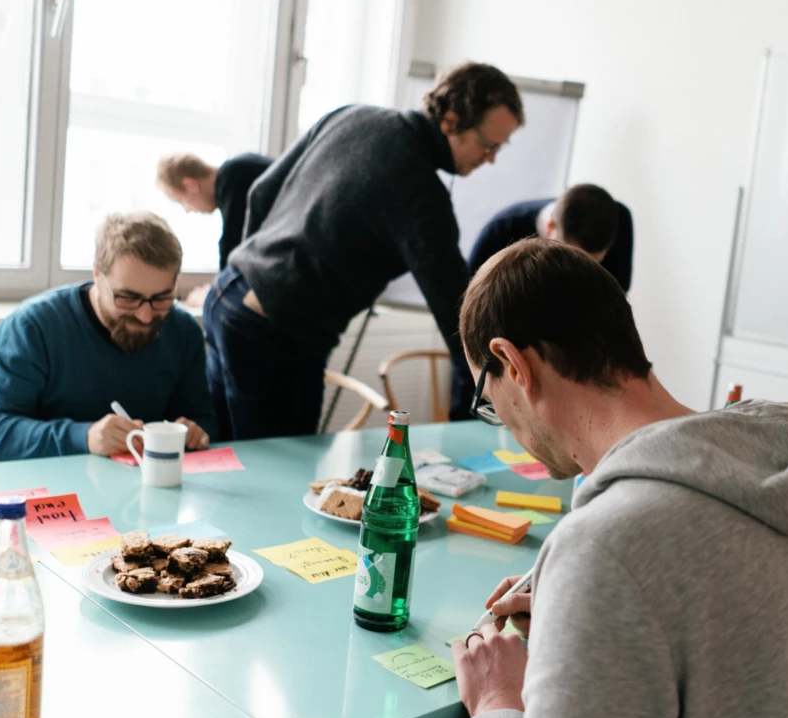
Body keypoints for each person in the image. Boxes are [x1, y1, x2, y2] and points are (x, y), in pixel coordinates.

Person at [450, 238, 788, 718]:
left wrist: (497, 708)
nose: (499, 418)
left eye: (486, 397)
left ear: (513, 364)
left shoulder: (607, 546)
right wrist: (588, 620)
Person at [204, 61, 524, 441]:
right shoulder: (421, 193)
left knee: (224, 461)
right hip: (273, 335)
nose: (491, 159)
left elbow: (259, 193)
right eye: (489, 145)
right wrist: (497, 397)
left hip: (225, 297)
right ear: (452, 120)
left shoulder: (353, 115)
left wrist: (253, 270)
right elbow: (459, 313)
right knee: (275, 475)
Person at [0, 212, 216, 461]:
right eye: (128, 298)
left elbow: (204, 420)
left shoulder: (183, 331)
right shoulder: (33, 327)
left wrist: (195, 432)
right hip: (51, 489)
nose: (145, 316)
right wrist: (84, 437)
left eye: (161, 298)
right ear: (97, 275)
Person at [449, 184, 633, 419]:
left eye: (593, 264)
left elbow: (611, 304)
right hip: (503, 357)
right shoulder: (500, 233)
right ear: (550, 228)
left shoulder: (618, 220)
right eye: (572, 257)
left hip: (575, 362)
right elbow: (470, 327)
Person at [157, 151, 273, 304]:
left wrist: (210, 294)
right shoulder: (237, 170)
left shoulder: (234, 176)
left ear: (190, 185)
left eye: (181, 201)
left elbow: (232, 255)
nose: (187, 210)